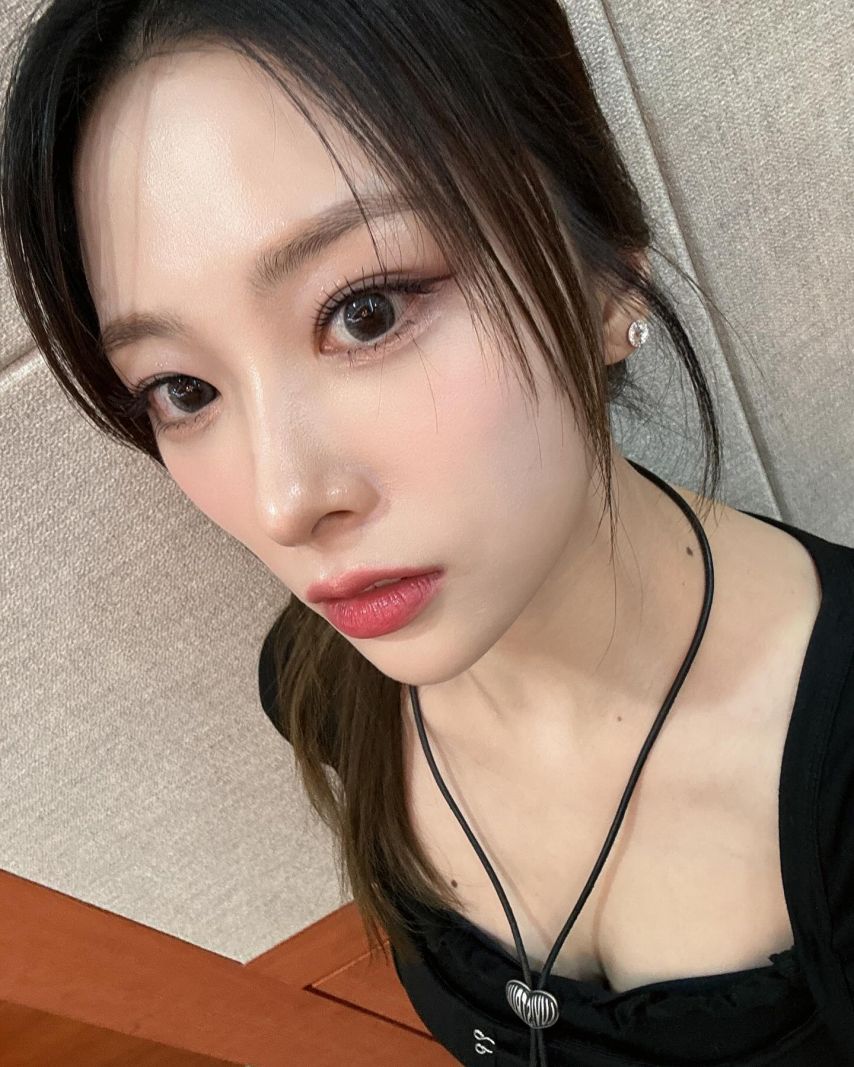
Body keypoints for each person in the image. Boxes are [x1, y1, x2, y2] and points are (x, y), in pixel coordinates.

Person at [2, 3, 853, 1064]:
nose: (284, 501)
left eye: (365, 310)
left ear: (607, 280)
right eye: (182, 388)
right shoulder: (320, 683)